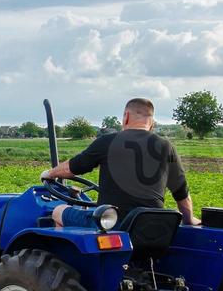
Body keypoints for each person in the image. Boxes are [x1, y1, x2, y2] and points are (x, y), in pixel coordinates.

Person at [40, 97, 200, 226]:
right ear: (151, 122)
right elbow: (181, 193)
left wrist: (50, 173)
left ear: (126, 116)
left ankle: (71, 264)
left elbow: (72, 168)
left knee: (58, 211)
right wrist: (189, 220)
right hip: (149, 225)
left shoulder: (108, 141)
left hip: (112, 222)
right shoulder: (166, 146)